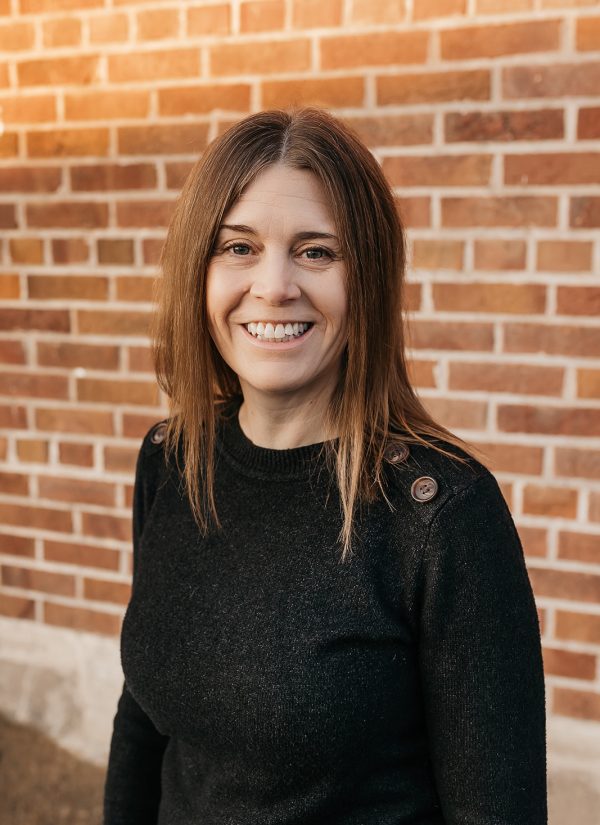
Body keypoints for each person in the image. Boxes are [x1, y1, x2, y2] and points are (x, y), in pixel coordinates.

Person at [103, 107, 547, 825]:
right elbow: (144, 719)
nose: (274, 285)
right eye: (238, 247)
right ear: (197, 271)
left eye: (316, 252)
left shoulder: (442, 517)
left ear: (367, 278)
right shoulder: (172, 460)